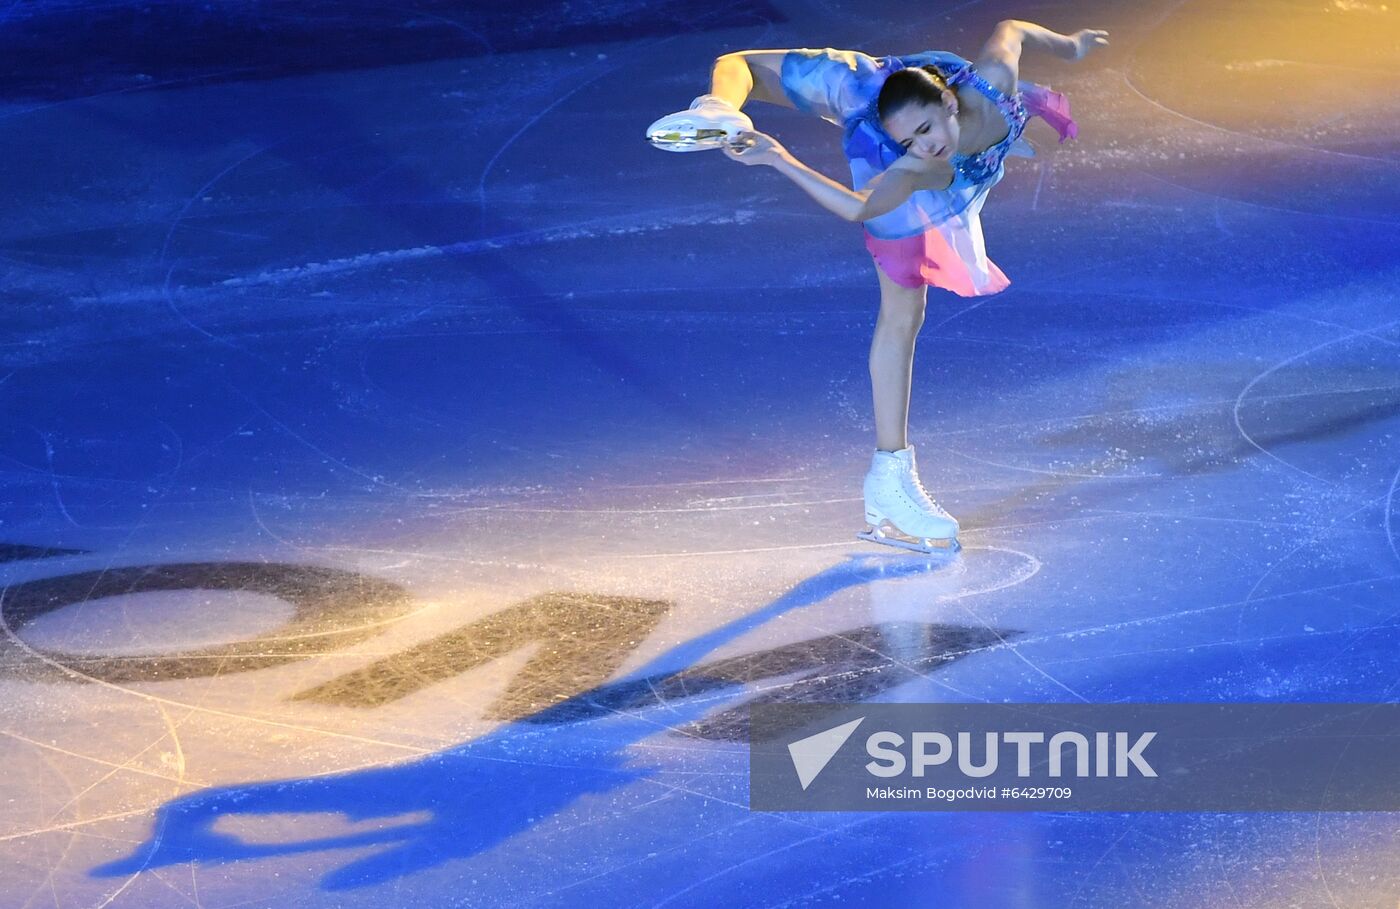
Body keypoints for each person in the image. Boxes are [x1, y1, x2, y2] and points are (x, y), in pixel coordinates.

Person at [646, 21, 1108, 553]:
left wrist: (1071, 47)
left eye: (928, 131)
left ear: (952, 105)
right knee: (903, 312)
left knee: (910, 313)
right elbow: (861, 206)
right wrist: (778, 157)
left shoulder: (991, 83)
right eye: (913, 141)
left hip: (903, 89)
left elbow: (1011, 29)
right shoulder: (916, 164)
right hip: (879, 97)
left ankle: (887, 480)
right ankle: (890, 477)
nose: (927, 146)